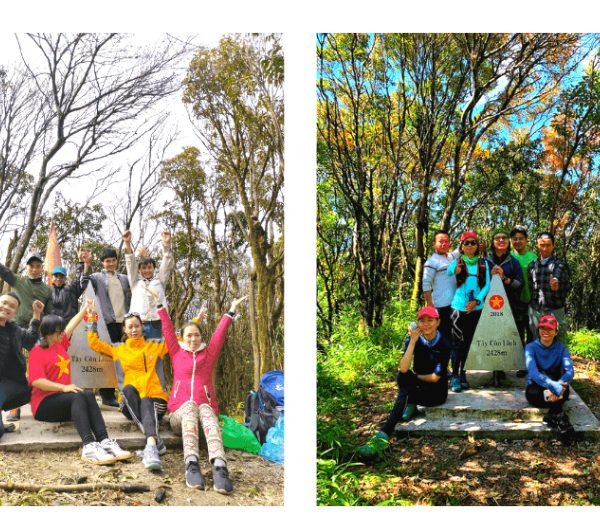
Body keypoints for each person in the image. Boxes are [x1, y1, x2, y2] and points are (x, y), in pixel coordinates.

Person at [151, 288, 247, 493]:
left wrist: (230, 311)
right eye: (189, 335)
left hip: (204, 421)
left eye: (196, 335)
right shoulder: (176, 352)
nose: (193, 339)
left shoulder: (208, 355)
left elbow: (219, 336)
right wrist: (159, 303)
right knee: (190, 405)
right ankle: (191, 464)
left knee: (204, 407)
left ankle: (220, 466)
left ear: (201, 337)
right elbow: (167, 329)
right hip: (179, 415)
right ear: (183, 338)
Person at [28, 300, 132, 464]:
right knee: (77, 396)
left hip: (63, 400)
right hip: (43, 405)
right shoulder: (37, 352)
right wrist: (63, 387)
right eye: (58, 332)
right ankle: (89, 446)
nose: (62, 334)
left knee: (88, 395)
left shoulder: (60, 344)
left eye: (62, 331)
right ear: (48, 333)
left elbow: (71, 326)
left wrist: (85, 310)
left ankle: (104, 441)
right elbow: (36, 380)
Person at [85, 301, 169, 471]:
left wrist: (195, 322)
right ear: (124, 330)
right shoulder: (118, 349)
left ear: (142, 327)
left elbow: (177, 341)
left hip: (156, 401)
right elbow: (94, 343)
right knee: (129, 389)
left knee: (146, 401)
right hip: (129, 404)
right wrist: (91, 318)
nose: (134, 330)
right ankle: (154, 441)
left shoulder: (155, 345)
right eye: (130, 327)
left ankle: (151, 445)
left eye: (137, 326)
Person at [357, 306, 451, 458]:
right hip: (420, 387)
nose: (426, 324)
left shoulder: (445, 344)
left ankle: (386, 431)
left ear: (438, 322)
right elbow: (403, 368)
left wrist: (415, 376)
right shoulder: (413, 339)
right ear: (417, 323)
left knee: (406, 383)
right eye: (422, 320)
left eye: (430, 320)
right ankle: (386, 431)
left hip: (436, 394)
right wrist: (413, 341)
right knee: (402, 377)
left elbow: (435, 377)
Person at [447, 231, 490, 392]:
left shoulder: (482, 263)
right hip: (458, 308)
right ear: (462, 246)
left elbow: (486, 285)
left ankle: (463, 373)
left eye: (473, 243)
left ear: (477, 245)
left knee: (468, 342)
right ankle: (455, 376)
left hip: (476, 308)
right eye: (467, 243)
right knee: (456, 342)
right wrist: (456, 270)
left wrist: (476, 301)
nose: (470, 245)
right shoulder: (457, 262)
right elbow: (449, 272)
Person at [89, 247, 131, 407]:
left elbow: (135, 282)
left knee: (124, 360)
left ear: (117, 262)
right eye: (107, 261)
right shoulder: (97, 277)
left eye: (113, 260)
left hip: (125, 324)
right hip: (107, 323)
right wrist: (85, 263)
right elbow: (84, 281)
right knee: (108, 359)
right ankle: (107, 394)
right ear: (102, 263)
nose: (111, 263)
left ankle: (125, 393)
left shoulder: (124, 278)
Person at [524, 314, 576, 444]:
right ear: (538, 330)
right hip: (538, 388)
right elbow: (533, 373)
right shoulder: (530, 347)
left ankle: (554, 415)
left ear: (556, 331)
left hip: (557, 389)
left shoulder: (561, 348)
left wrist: (559, 385)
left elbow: (569, 371)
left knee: (565, 389)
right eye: (543, 328)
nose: (546, 332)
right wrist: (554, 387)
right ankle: (558, 415)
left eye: (550, 329)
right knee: (532, 392)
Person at [0, 294, 42, 439]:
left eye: (11, 306)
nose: (6, 307)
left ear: (15, 313)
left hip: (9, 383)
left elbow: (30, 340)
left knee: (40, 385)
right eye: (4, 303)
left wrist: (36, 315)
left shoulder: (14, 330)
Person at [485, 228, 524, 383]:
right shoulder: (485, 261)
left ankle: (504, 367)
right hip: (489, 307)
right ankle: (495, 369)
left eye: (504, 238)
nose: (501, 240)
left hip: (509, 305)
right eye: (497, 238)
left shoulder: (514, 262)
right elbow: (478, 283)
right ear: (493, 243)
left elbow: (519, 284)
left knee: (506, 336)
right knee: (492, 336)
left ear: (508, 243)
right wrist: (490, 278)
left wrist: (504, 278)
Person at [123, 229, 174, 339]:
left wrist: (166, 244)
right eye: (144, 268)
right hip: (137, 324)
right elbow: (130, 264)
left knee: (154, 354)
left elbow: (167, 264)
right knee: (138, 354)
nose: (147, 270)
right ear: (139, 270)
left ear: (154, 268)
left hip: (156, 324)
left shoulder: (159, 281)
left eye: (149, 267)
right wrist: (127, 243)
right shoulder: (136, 283)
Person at [528, 232, 570, 344]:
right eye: (542, 245)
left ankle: (558, 361)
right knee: (537, 340)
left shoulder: (559, 264)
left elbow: (566, 284)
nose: (545, 248)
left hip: (555, 309)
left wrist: (556, 284)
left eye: (548, 245)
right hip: (536, 310)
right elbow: (531, 287)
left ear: (553, 246)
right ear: (537, 245)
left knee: (558, 341)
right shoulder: (532, 265)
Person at [510, 225, 538, 377]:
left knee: (532, 333)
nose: (518, 241)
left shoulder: (533, 257)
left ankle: (530, 364)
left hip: (532, 300)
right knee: (517, 333)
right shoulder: (508, 257)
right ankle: (520, 364)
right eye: (515, 239)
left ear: (526, 240)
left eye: (521, 238)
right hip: (514, 302)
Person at [422, 230, 457, 344]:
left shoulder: (451, 257)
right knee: (443, 337)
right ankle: (441, 360)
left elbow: (461, 250)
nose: (444, 244)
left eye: (446, 241)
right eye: (441, 241)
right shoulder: (431, 262)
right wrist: (430, 305)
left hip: (454, 304)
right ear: (434, 244)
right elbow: (426, 284)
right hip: (441, 307)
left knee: (453, 336)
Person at [0, 253, 53, 327]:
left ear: (42, 268)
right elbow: (4, 271)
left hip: (35, 329)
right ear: (26, 267)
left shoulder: (48, 290)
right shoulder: (17, 280)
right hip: (14, 326)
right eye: (31, 266)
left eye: (38, 266)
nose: (34, 269)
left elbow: (49, 314)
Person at [50, 250, 92, 322]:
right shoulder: (46, 291)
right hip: (52, 328)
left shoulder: (71, 289)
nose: (58, 279)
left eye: (61, 276)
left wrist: (83, 263)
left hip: (70, 327)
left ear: (65, 278)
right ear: (52, 278)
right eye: (56, 276)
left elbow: (81, 280)